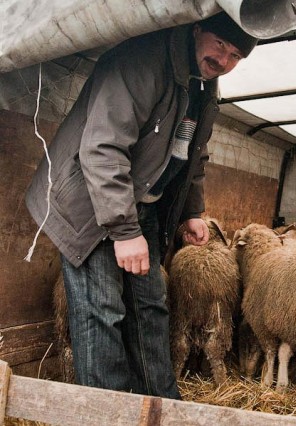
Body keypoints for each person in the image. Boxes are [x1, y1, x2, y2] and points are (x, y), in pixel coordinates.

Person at [26, 11, 258, 398]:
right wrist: (124, 230)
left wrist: (190, 212)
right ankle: (107, 413)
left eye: (236, 55)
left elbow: (193, 153)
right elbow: (102, 149)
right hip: (91, 203)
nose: (225, 61)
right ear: (197, 28)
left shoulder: (204, 84)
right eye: (220, 44)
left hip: (139, 205)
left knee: (150, 308)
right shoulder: (143, 61)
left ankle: (161, 406)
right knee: (101, 313)